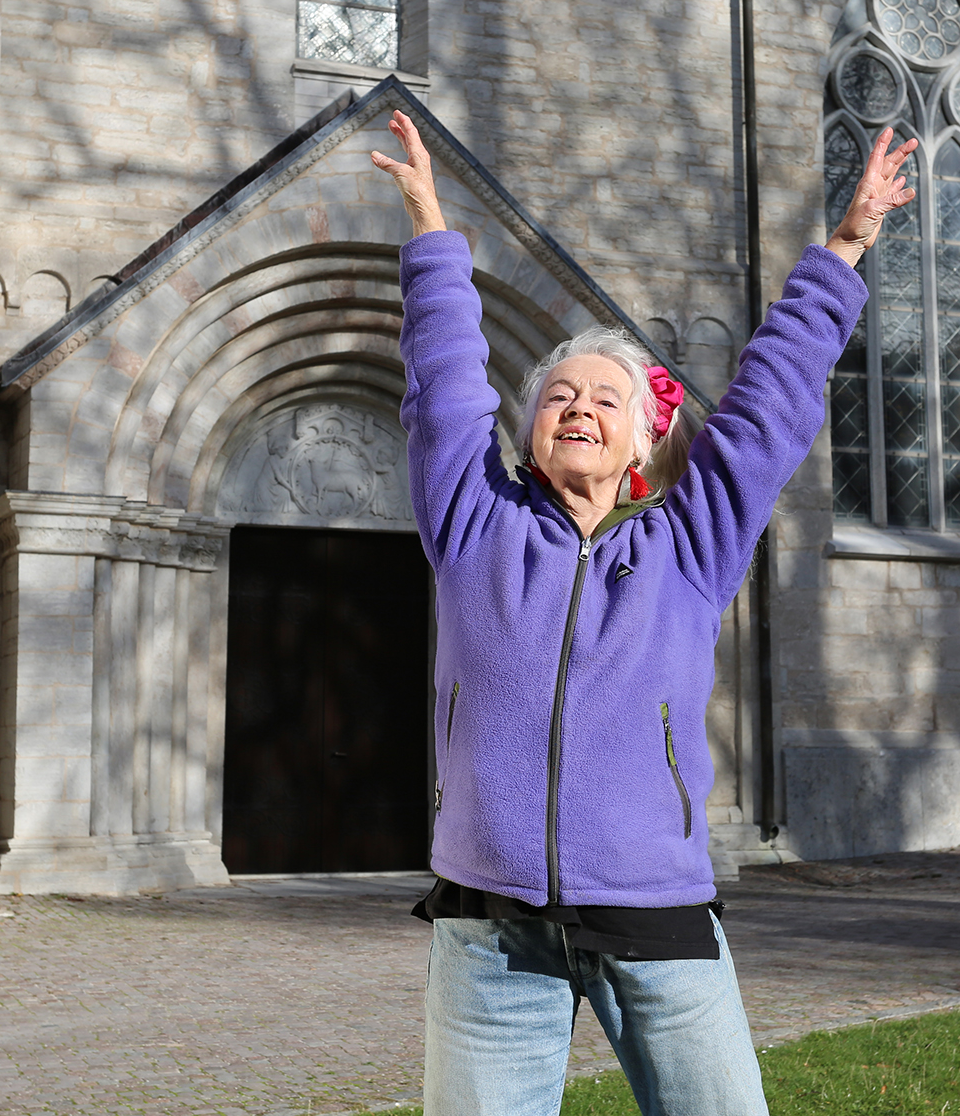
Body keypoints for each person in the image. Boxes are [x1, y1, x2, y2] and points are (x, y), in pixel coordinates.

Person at [372, 111, 917, 1116]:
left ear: (640, 443)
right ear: (531, 432)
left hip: (657, 913)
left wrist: (843, 249)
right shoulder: (472, 524)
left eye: (605, 399)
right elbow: (443, 389)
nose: (576, 406)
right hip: (491, 927)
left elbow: (768, 406)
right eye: (556, 395)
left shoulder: (688, 542)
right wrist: (429, 229)